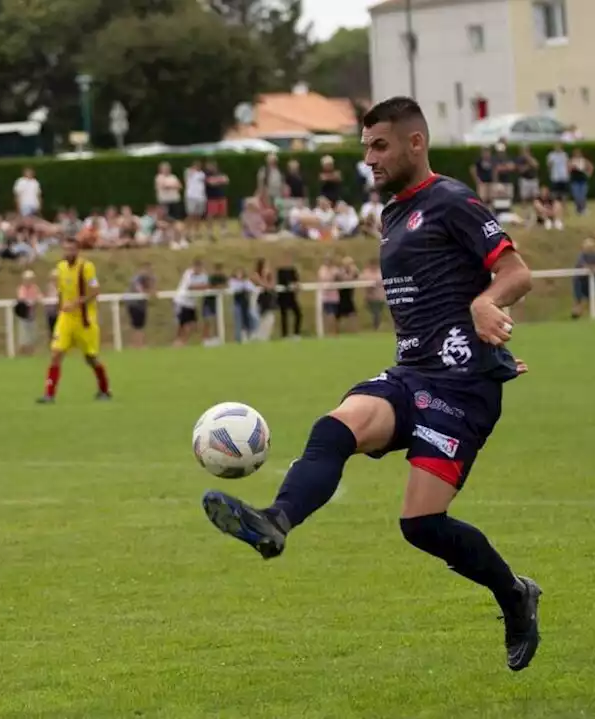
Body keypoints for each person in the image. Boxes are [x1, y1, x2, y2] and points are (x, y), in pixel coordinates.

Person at [198, 97, 541, 673]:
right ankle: (276, 522)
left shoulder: (452, 200)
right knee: (336, 425)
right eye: (365, 149)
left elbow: (516, 272)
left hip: (462, 389)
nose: (370, 159)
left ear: (415, 143)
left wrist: (486, 303)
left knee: (422, 525)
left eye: (379, 146)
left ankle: (514, 594)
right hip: (410, 374)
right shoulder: (391, 214)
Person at [38, 237, 111, 403]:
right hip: (66, 318)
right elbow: (61, 292)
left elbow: (95, 291)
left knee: (90, 358)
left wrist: (77, 302)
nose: (68, 252)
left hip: (84, 320)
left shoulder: (86, 267)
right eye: (65, 249)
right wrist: (59, 309)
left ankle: (104, 389)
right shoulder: (60, 267)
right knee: (56, 354)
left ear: (77, 250)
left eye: (71, 249)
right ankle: (49, 394)